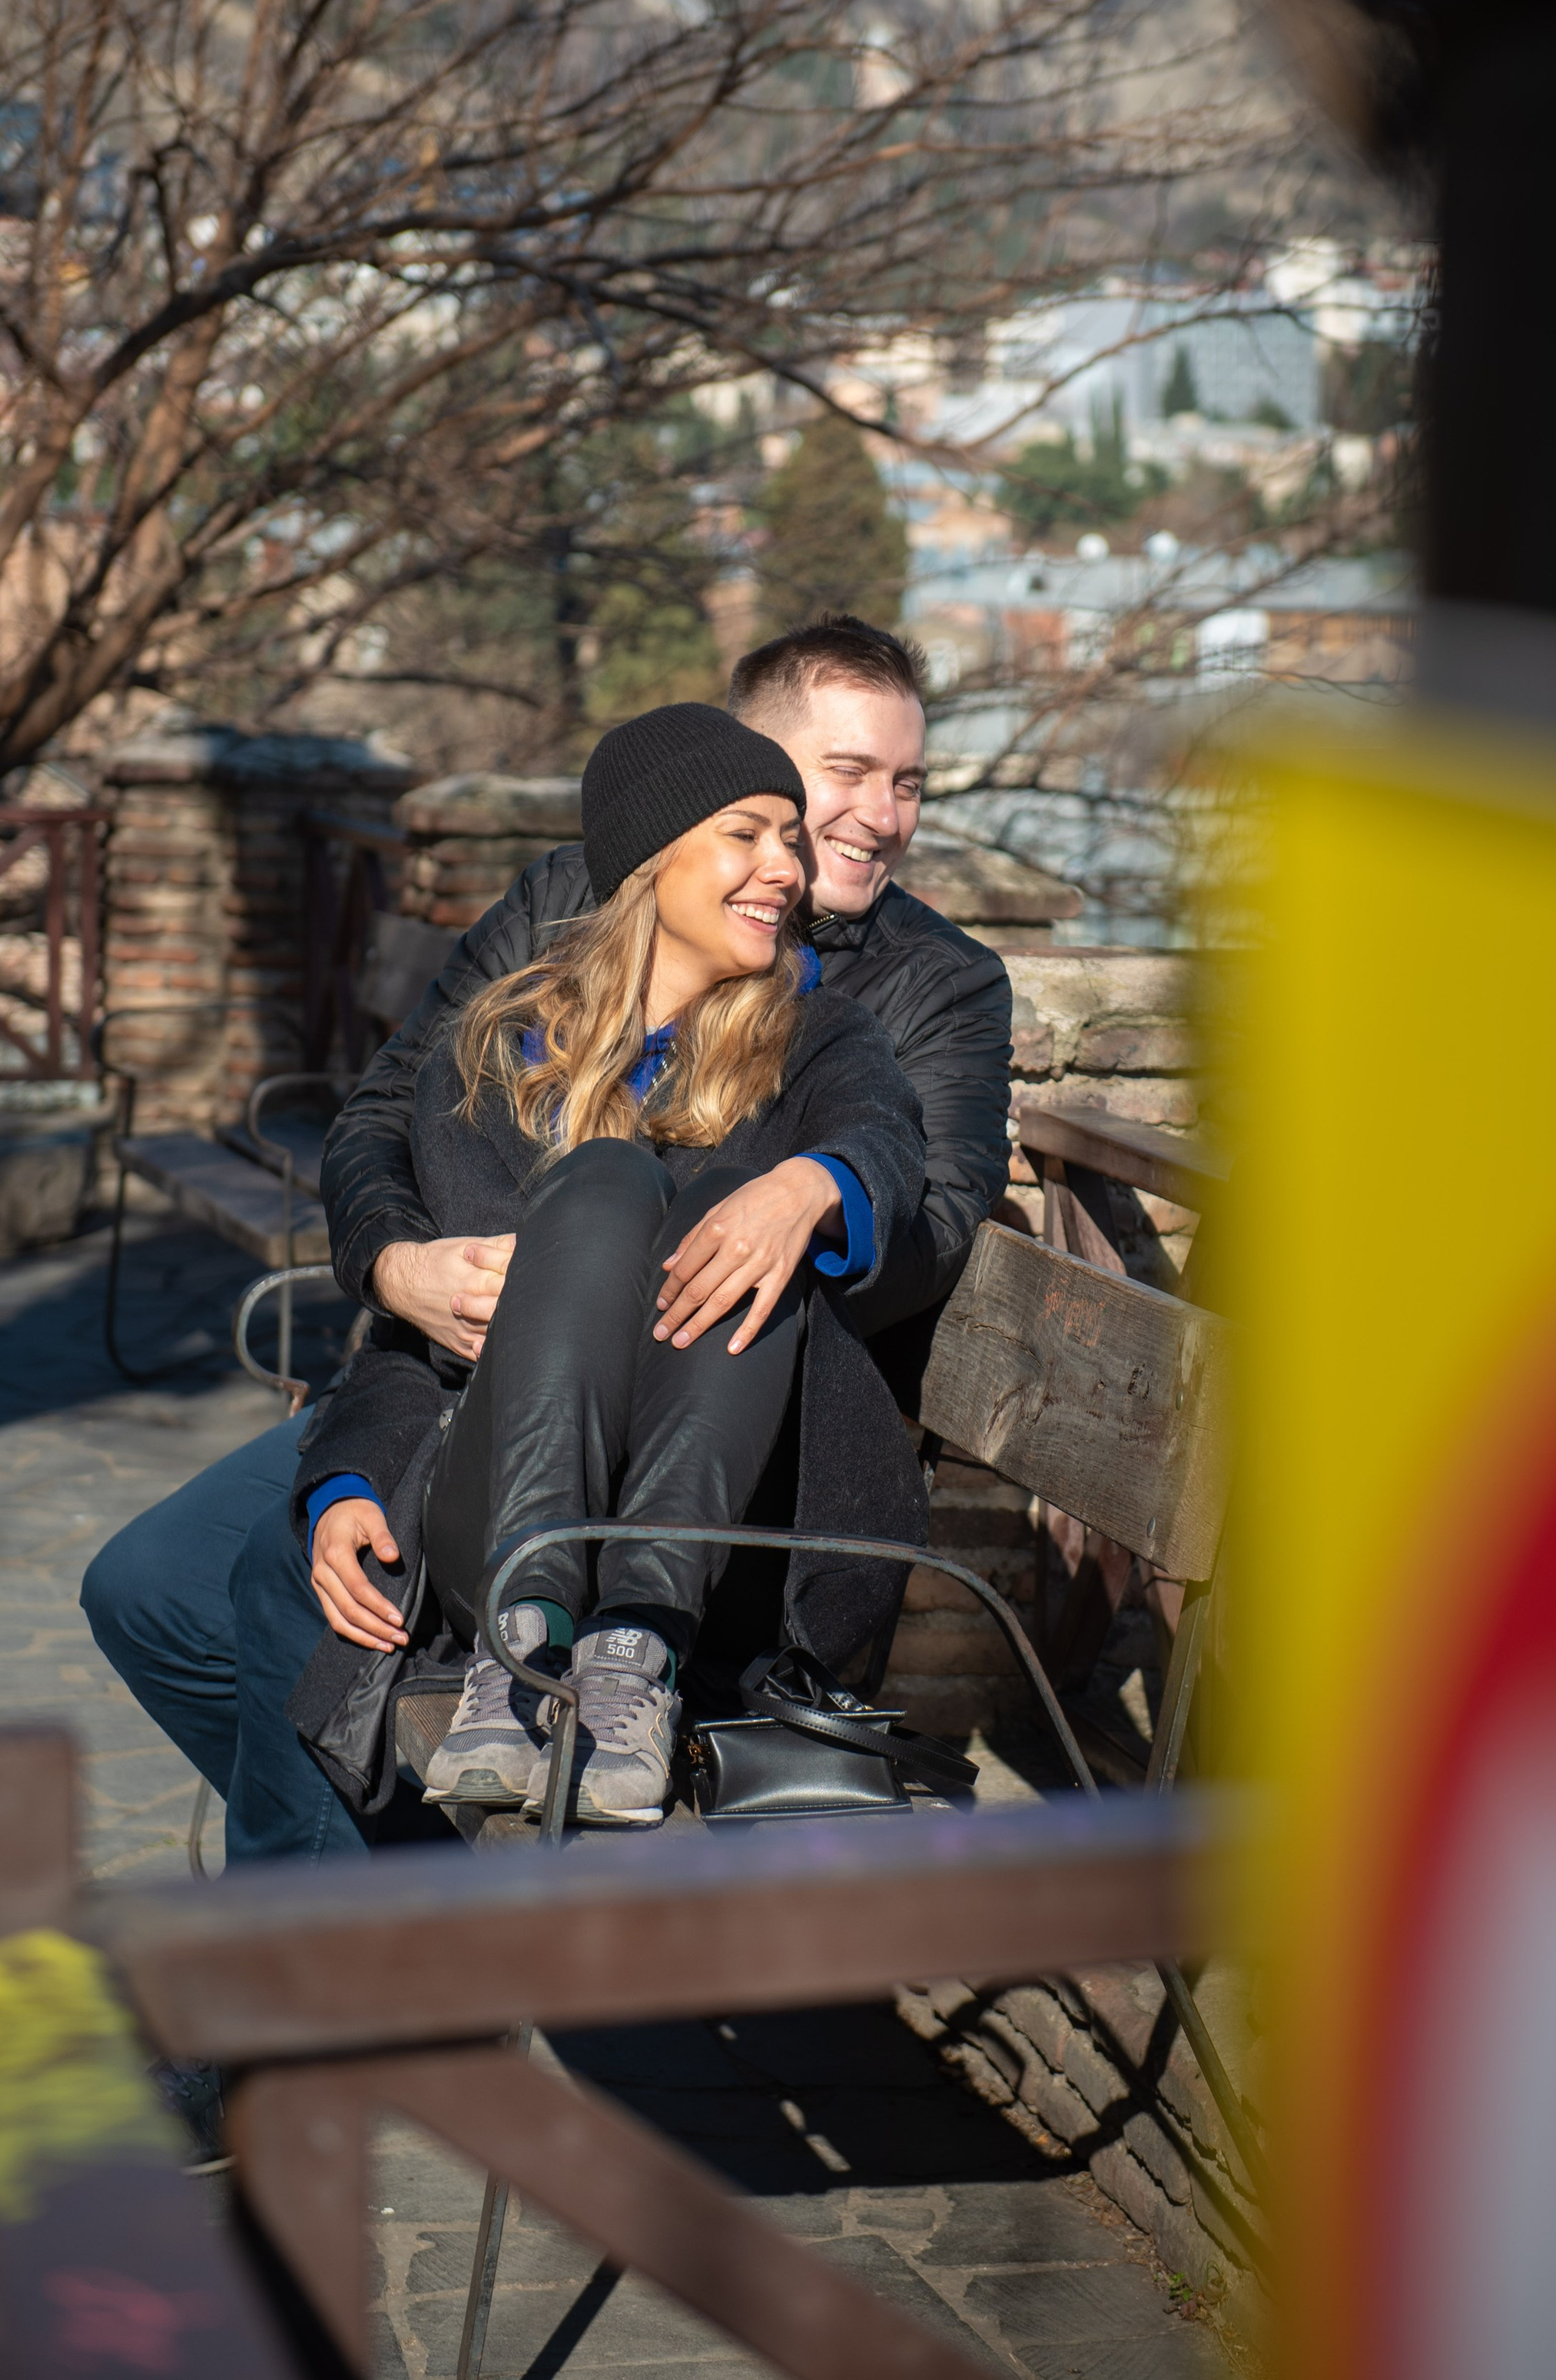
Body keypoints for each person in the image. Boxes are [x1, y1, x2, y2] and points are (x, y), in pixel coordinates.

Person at [82, 616, 1012, 1857]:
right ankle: (388, 1902)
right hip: (470, 1375)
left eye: (908, 784)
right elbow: (385, 1115)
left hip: (720, 1413)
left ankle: (323, 1985)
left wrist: (811, 1191)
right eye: (837, 778)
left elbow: (934, 1219)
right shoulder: (571, 907)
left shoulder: (923, 989)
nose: (872, 818)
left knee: (288, 1586)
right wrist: (398, 1266)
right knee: (157, 1592)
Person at [289, 703, 927, 1826]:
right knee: (603, 1181)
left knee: (739, 1213)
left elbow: (887, 1143)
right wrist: (344, 1481)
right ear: (649, 856)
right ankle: (527, 1642)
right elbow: (424, 1337)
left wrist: (813, 1183)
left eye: (791, 837)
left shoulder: (818, 1041)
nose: (787, 865)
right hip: (488, 1520)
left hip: (713, 1539)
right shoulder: (495, 1053)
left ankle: (633, 1649)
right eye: (748, 833)